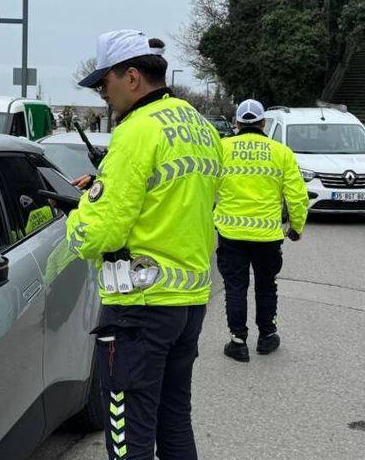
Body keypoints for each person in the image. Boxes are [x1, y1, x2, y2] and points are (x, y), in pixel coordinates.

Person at [67, 29, 222, 460]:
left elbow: (98, 235)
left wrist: (80, 210)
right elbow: (178, 198)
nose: (102, 93)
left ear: (132, 77)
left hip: (139, 308)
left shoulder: (136, 132)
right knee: (174, 422)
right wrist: (108, 188)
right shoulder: (200, 126)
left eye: (104, 82)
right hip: (188, 303)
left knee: (128, 437)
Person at [215, 99, 309, 362]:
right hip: (267, 236)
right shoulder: (281, 152)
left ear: (236, 123)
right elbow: (297, 195)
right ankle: (267, 337)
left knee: (235, 287)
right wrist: (296, 227)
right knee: (267, 286)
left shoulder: (221, 149)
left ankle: (238, 342)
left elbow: (207, 188)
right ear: (263, 123)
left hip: (230, 233)